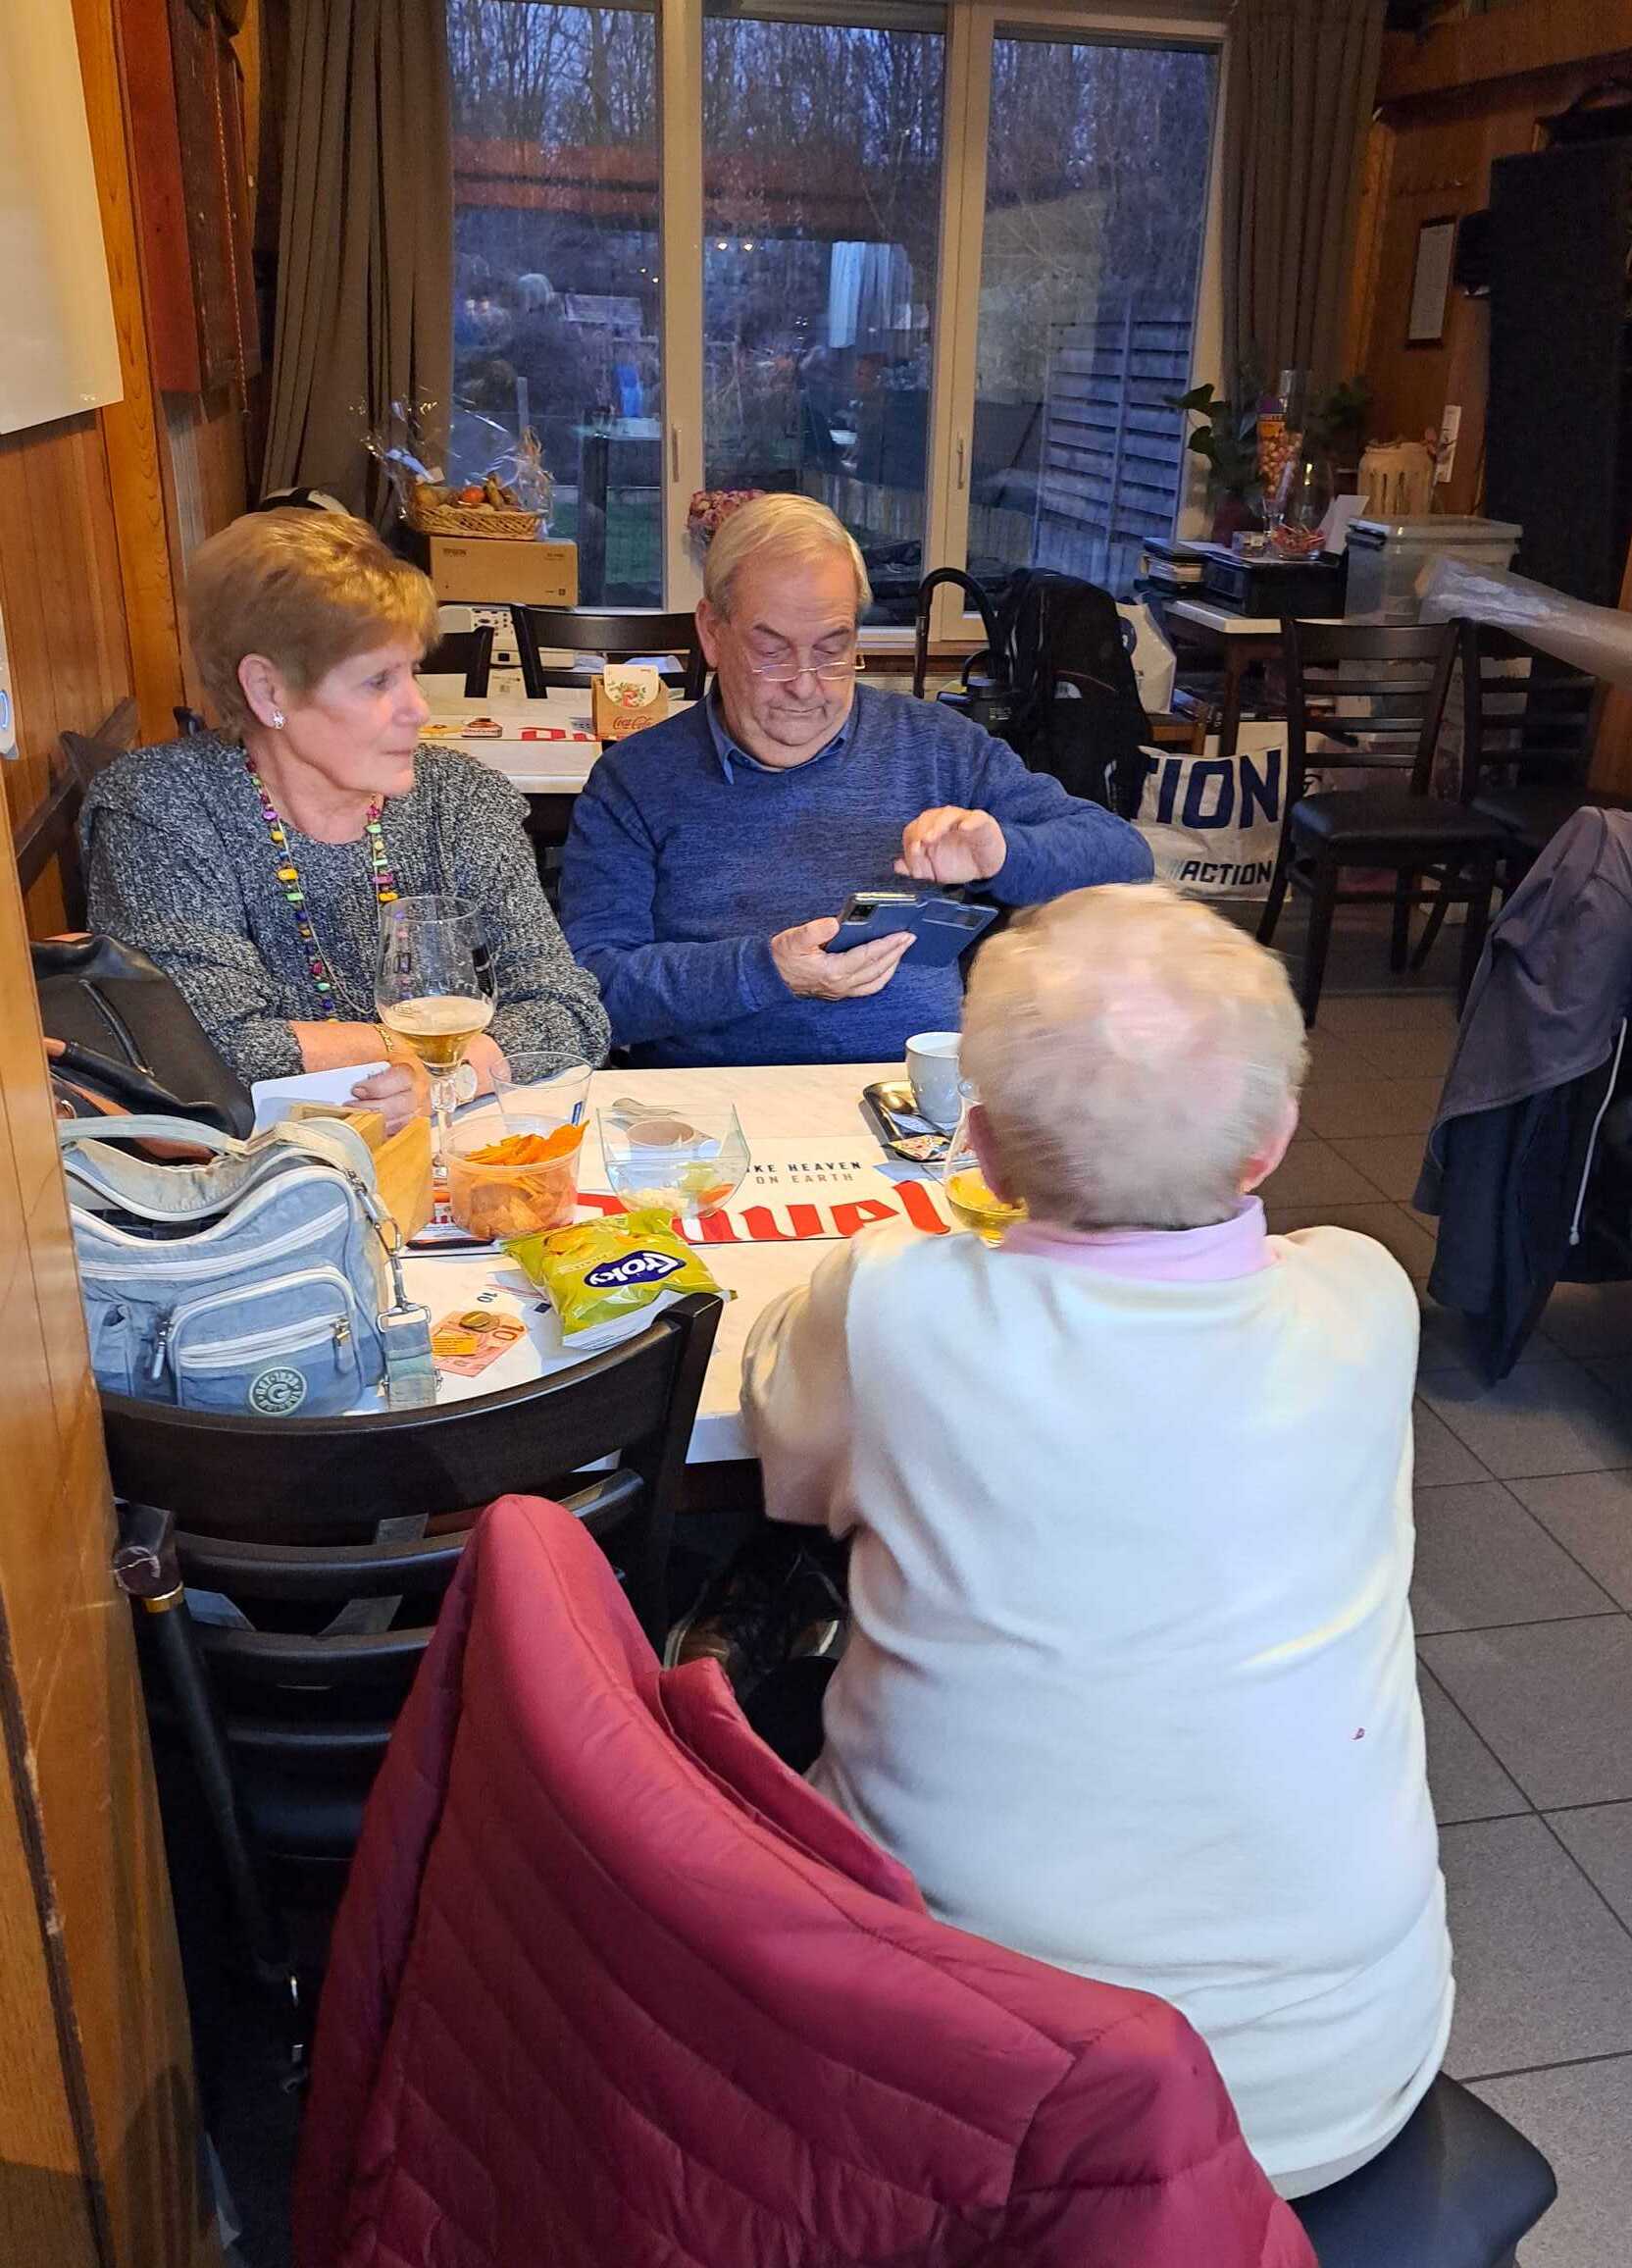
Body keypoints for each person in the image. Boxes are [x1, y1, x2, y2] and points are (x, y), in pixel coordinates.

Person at [740, 884, 1453, 2200]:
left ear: (984, 1153)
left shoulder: (897, 1305)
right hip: (1345, 2074)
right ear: (1270, 1143)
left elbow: (788, 1472)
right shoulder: (1366, 1295)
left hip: (974, 2099)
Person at [556, 493, 1150, 1065]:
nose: (805, 684)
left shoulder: (938, 746)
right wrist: (766, 971)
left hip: (912, 1093)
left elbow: (1125, 858)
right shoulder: (635, 781)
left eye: (832, 650)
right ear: (712, 632)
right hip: (710, 1106)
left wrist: (1003, 853)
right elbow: (589, 991)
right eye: (772, 651)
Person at [83, 510, 608, 1129]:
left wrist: (451, 1081)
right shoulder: (159, 809)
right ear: (269, 691)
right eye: (377, 681)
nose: (418, 708)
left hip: (460, 1149)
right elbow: (205, 1049)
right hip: (262, 1165)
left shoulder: (458, 797)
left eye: (412, 671)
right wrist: (419, 1052)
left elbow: (569, 1009)